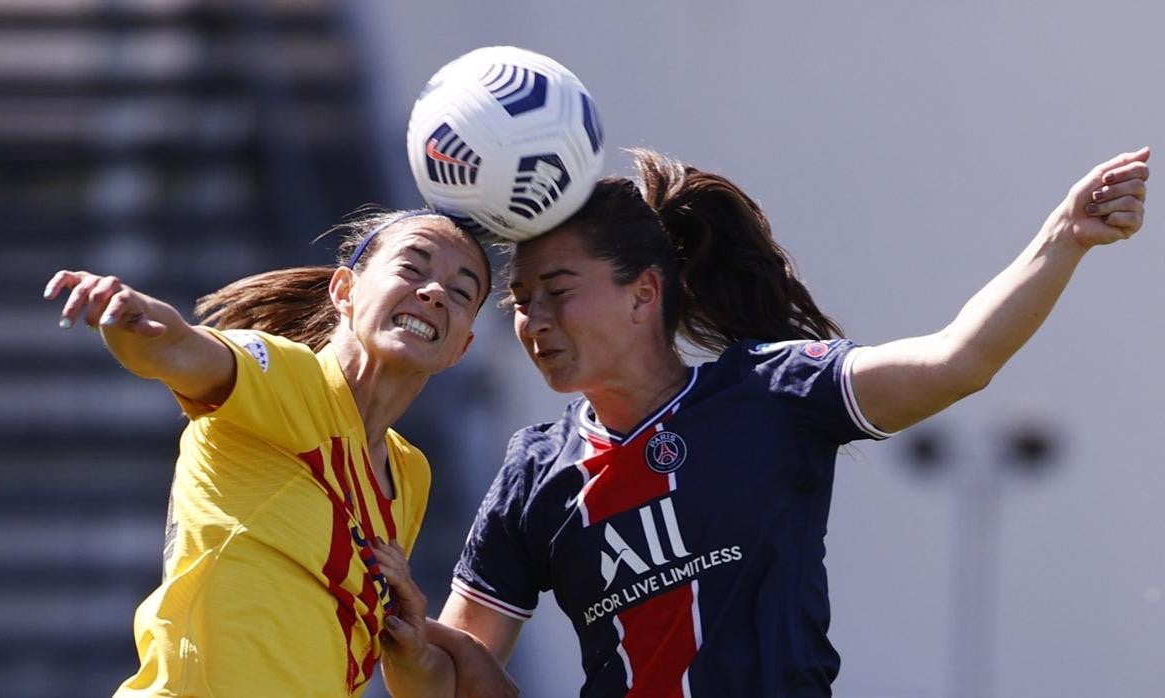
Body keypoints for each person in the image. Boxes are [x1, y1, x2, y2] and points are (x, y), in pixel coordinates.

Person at [403, 146, 1148, 697]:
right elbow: (459, 668)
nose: (533, 320)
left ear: (643, 293)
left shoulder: (774, 391)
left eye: (557, 291)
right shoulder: (535, 471)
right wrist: (397, 627)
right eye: (521, 299)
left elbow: (959, 359)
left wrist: (1064, 237)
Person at [43, 209, 515, 697]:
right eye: (412, 268)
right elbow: (177, 347)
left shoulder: (410, 473)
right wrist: (129, 316)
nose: (434, 292)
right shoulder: (283, 378)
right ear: (345, 291)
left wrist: (412, 644)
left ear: (462, 347)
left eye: (460, 293)